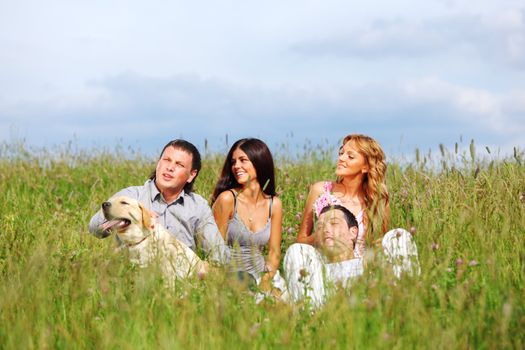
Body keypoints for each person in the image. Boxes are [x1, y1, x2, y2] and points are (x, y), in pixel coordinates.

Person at [295, 134, 419, 278]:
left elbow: (379, 245)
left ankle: (404, 291)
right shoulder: (321, 190)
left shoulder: (377, 201)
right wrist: (322, 234)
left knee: (399, 237)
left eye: (350, 156)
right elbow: (300, 243)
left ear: (366, 167)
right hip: (324, 269)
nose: (341, 158)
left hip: (361, 272)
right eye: (341, 153)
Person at [89, 139, 229, 265]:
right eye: (166, 160)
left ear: (191, 175)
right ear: (158, 163)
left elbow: (218, 254)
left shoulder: (198, 206)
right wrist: (126, 214)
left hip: (180, 281)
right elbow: (95, 230)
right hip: (134, 275)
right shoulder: (130, 197)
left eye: (179, 164)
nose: (170, 167)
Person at [211, 138, 286, 296]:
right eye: (233, 162)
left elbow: (274, 252)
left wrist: (266, 280)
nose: (236, 166)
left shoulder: (274, 204)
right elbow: (214, 250)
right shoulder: (227, 199)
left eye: (243, 160)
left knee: (281, 306)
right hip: (230, 278)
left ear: (259, 162)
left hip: (261, 277)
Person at [284, 205, 364, 307]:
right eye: (320, 227)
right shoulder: (311, 270)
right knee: (297, 249)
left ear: (353, 232)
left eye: (334, 223)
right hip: (319, 313)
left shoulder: (368, 266)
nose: (325, 230)